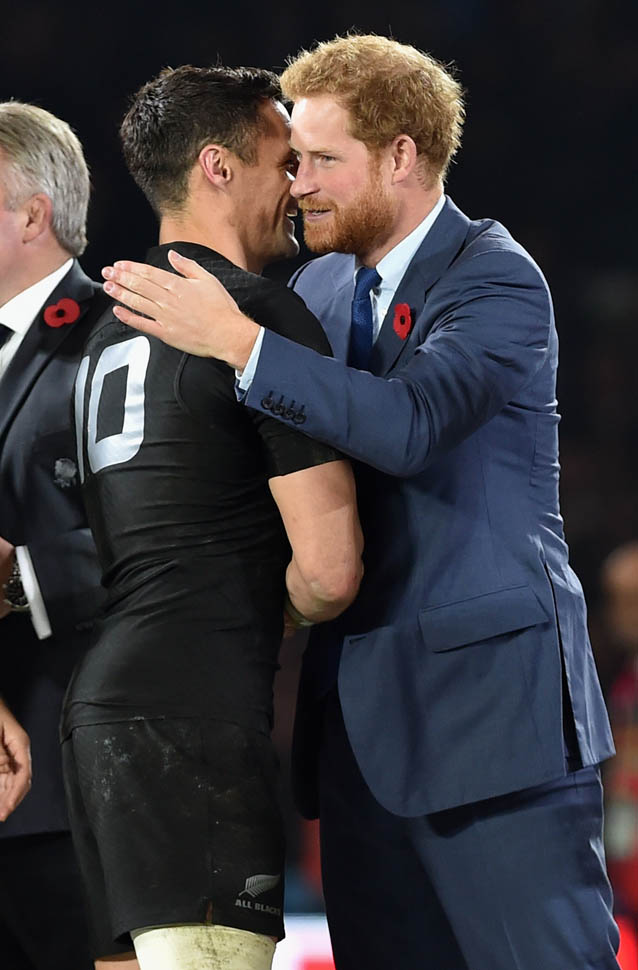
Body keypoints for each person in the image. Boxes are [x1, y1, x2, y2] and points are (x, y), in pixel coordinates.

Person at [102, 36, 620, 970]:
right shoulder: (319, 283)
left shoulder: (495, 278)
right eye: (292, 161)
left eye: (321, 160)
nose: (297, 185)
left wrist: (240, 343)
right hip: (360, 742)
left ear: (401, 156)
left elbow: (413, 423)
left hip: (492, 733)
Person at [64, 65, 362, 970]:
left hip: (99, 719)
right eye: (284, 160)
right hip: (194, 722)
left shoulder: (104, 332)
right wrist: (272, 605)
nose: (299, 186)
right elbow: (330, 571)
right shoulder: (258, 319)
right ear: (219, 167)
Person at [0, 100, 105, 970]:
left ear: (32, 215)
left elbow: (172, 540)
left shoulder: (123, 334)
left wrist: (16, 580)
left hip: (64, 786)